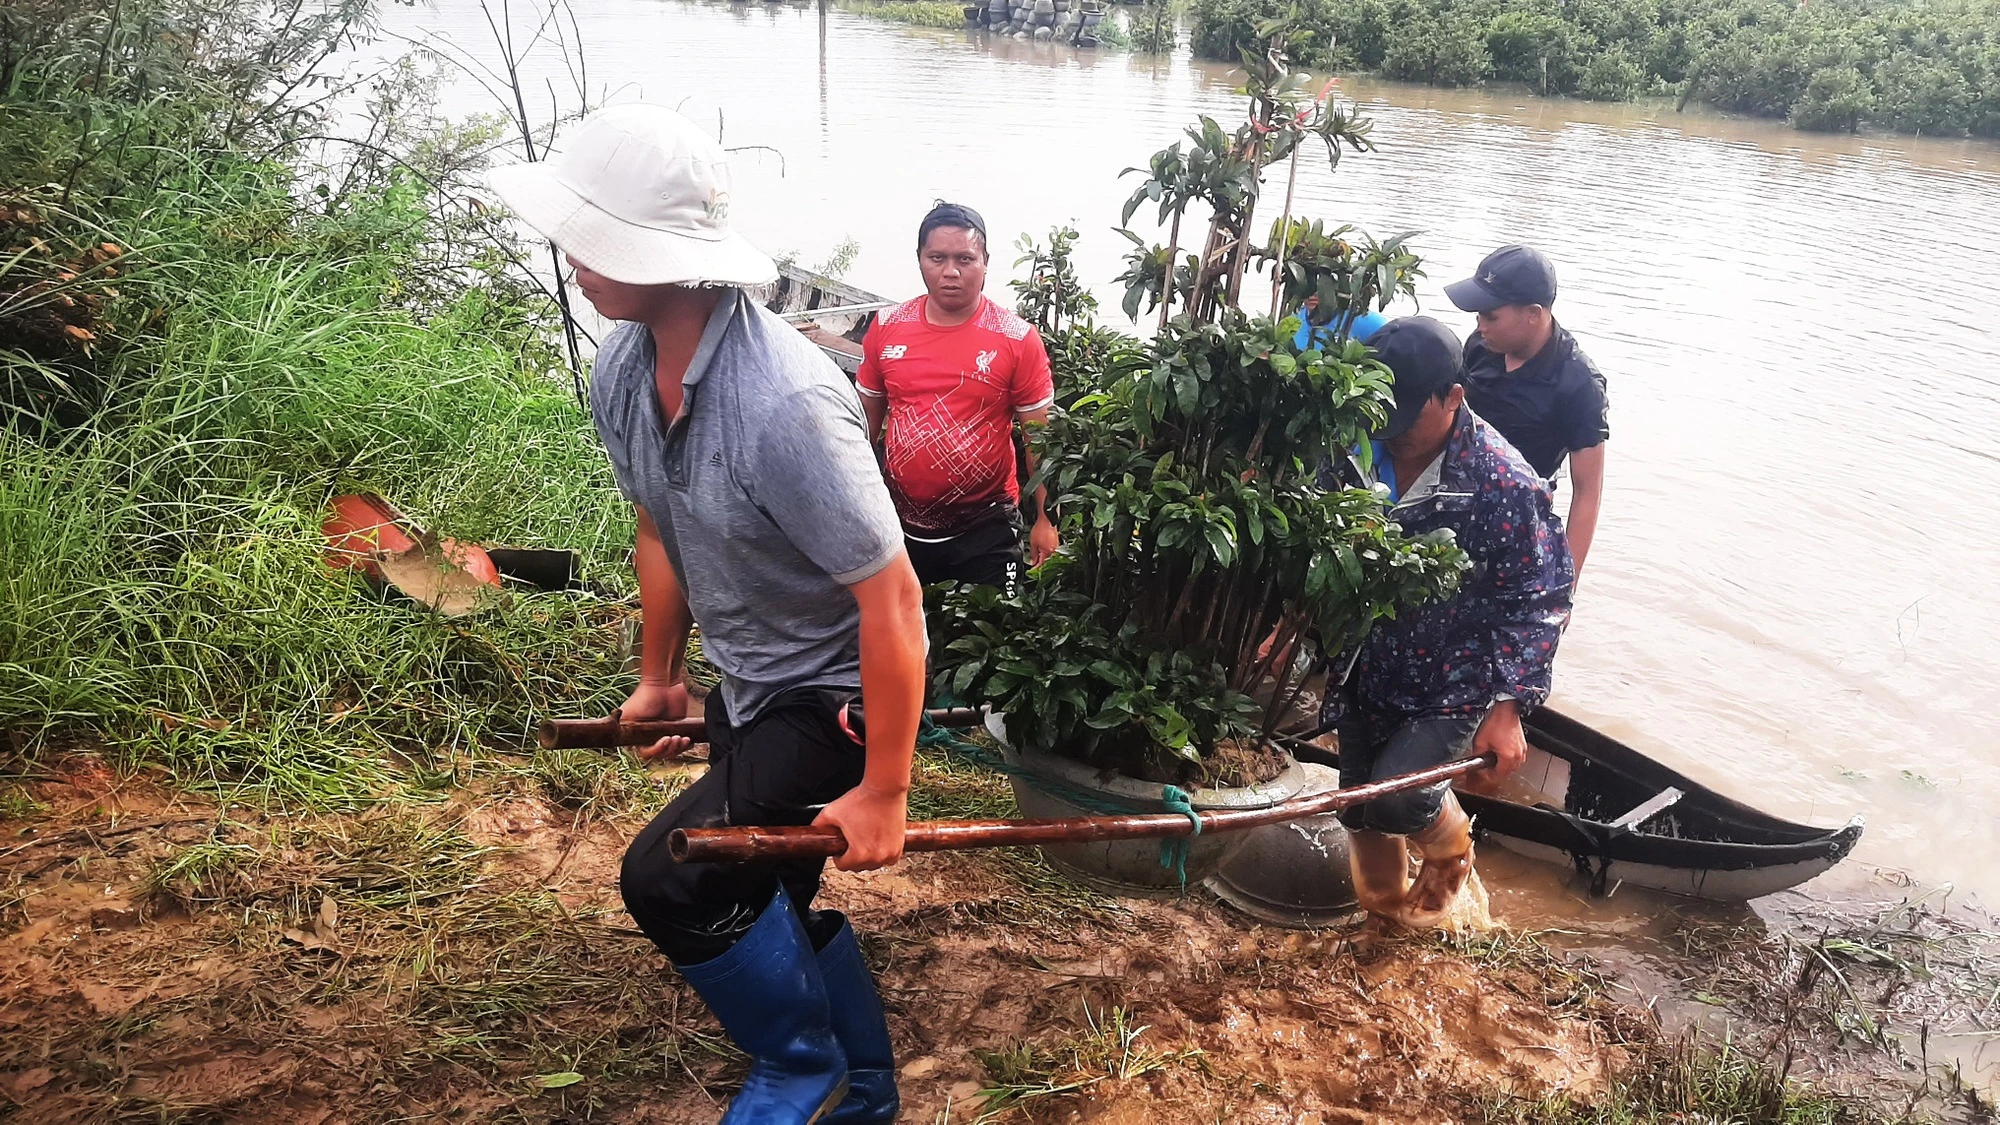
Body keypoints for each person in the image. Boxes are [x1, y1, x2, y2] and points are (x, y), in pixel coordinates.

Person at [489, 104, 925, 1124]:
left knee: (672, 881)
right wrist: (658, 677)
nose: (571, 257)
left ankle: (802, 1068)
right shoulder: (622, 370)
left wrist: (886, 789)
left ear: (672, 258)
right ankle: (864, 1090)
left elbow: (892, 597)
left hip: (832, 697)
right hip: (746, 679)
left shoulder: (784, 405)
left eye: (593, 237)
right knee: (759, 890)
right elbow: (659, 523)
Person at [1322, 316, 1574, 929]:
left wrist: (1509, 707)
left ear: (1453, 398)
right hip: (1367, 660)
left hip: (1455, 674)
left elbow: (1541, 597)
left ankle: (1451, 864)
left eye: (1407, 414)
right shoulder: (1355, 451)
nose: (1391, 430)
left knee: (1401, 798)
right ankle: (1387, 919)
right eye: (1381, 410)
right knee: (1358, 810)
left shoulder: (1503, 483)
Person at [855, 202, 1058, 597]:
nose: (951, 271)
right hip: (897, 525)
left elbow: (1040, 438)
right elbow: (863, 429)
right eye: (937, 258)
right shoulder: (886, 327)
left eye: (965, 258)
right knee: (901, 643)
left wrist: (1046, 519)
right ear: (919, 261)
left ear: (985, 262)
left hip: (987, 528)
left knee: (995, 633)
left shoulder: (1017, 338)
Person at [1444, 245, 1608, 577]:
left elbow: (1588, 494)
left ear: (1533, 313)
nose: (1480, 326)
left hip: (1519, 528)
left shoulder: (1578, 384)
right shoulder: (1480, 347)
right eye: (1477, 316)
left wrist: (1566, 586)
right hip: (1454, 507)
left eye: (1490, 316)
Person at [1292, 292, 1388, 350]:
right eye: (1308, 282)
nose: (1313, 293)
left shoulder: (1365, 321)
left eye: (1321, 282)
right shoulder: (1293, 320)